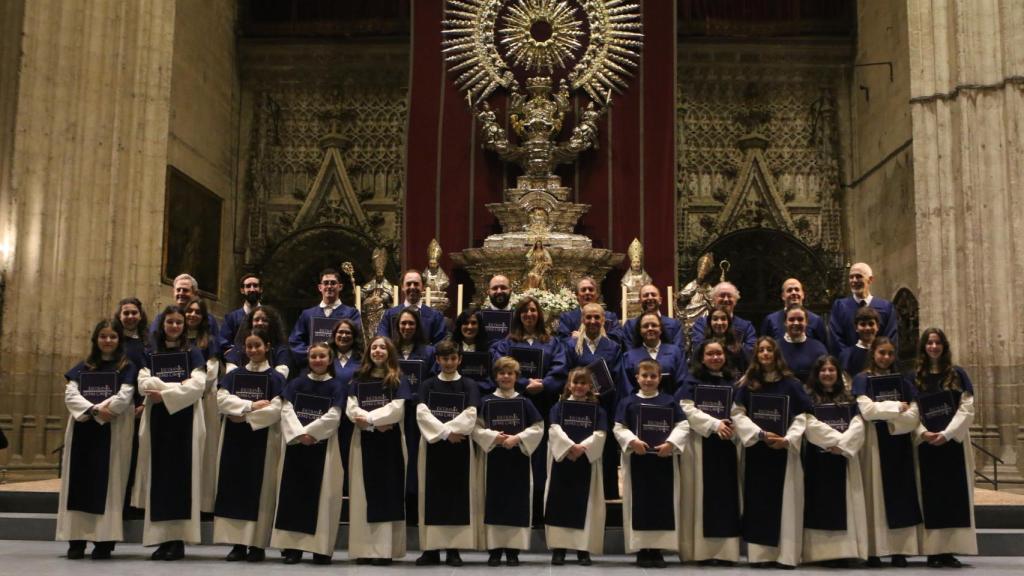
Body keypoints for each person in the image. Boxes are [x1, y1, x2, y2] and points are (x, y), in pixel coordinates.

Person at [56, 320, 138, 560]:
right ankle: (76, 540)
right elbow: (71, 394)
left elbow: (125, 397)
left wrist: (101, 411)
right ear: (96, 339)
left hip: (113, 429)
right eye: (103, 336)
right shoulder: (84, 366)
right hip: (84, 427)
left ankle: (104, 541)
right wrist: (93, 411)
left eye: (113, 337)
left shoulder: (126, 366)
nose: (108, 341)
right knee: (78, 483)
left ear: (119, 340)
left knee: (110, 483)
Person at [731, 336, 813, 568]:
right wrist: (760, 434)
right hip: (758, 449)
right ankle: (760, 555)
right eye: (761, 350)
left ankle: (786, 555)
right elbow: (737, 414)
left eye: (769, 350)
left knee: (786, 502)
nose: (765, 354)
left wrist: (788, 439)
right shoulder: (749, 384)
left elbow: (802, 416)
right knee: (758, 501)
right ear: (756, 355)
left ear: (777, 355)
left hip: (784, 450)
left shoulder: (791, 384)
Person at [133, 305, 207, 561]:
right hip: (158, 422)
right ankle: (161, 540)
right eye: (170, 322)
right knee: (160, 478)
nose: (174, 326)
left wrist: (163, 393)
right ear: (162, 325)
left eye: (178, 322)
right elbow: (144, 382)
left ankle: (178, 541)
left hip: (186, 421)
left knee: (181, 479)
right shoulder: (150, 352)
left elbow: (198, 386)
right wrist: (177, 387)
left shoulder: (193, 352)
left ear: (184, 326)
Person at [490, 296, 568, 522]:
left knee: (541, 457)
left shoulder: (552, 342)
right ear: (518, 316)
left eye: (533, 310)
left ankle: (539, 510)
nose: (529, 314)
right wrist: (525, 384)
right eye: (524, 311)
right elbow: (500, 367)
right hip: (515, 404)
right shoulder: (507, 343)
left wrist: (544, 384)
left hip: (544, 403)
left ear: (539, 314)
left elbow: (560, 368)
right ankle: (516, 509)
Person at [213, 328, 285, 562]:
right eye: (249, 346)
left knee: (260, 491)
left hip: (264, 439)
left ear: (267, 347)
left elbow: (276, 409)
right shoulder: (234, 375)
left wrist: (244, 417)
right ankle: (237, 545)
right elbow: (221, 400)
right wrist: (250, 407)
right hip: (235, 439)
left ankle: (257, 545)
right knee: (234, 488)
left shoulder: (276, 377)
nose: (253, 350)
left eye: (258, 345)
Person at [271, 342, 347, 565]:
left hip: (323, 446)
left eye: (322, 356)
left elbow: (335, 415)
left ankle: (320, 548)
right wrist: (299, 434)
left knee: (324, 497)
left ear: (330, 359)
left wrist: (312, 433)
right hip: (296, 446)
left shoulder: (337, 386)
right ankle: (293, 548)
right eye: (313, 356)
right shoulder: (296, 383)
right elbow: (286, 409)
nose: (317, 360)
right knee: (292, 495)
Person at [851, 337, 921, 567]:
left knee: (901, 494)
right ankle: (873, 551)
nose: (886, 358)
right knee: (874, 497)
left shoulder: (903, 380)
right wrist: (895, 407)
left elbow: (914, 414)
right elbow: (867, 410)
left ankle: (899, 550)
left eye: (890, 354)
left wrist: (891, 420)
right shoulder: (862, 379)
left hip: (898, 442)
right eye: (882, 353)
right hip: (872, 444)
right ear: (873, 353)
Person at [614, 358, 688, 568]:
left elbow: (682, 426)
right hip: (638, 460)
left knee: (661, 503)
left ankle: (657, 550)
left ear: (660, 378)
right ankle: (642, 550)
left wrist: (671, 443)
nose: (648, 380)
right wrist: (632, 441)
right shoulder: (627, 402)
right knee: (640, 503)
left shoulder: (669, 401)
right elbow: (619, 427)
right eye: (644, 376)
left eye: (653, 376)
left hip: (662, 460)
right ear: (636, 377)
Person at [911, 328, 977, 567]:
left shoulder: (957, 374)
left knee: (953, 495)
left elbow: (967, 407)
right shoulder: (916, 376)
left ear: (944, 346)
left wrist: (947, 434)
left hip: (953, 444)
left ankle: (950, 550)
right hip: (927, 443)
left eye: (938, 342)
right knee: (931, 496)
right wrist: (923, 432)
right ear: (923, 347)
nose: (933, 347)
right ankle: (933, 551)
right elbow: (912, 410)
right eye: (929, 343)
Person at [346, 336, 412, 565]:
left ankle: (384, 551)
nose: (378, 350)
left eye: (382, 347)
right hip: (363, 440)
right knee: (362, 494)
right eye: (374, 347)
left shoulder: (397, 379)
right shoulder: (358, 378)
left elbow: (397, 410)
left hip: (390, 441)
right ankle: (364, 550)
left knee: (388, 491)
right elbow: (351, 407)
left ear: (390, 352)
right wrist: (370, 422)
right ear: (368, 352)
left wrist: (370, 419)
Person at [674, 340, 741, 566]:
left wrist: (730, 425)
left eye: (718, 354)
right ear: (702, 358)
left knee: (726, 495)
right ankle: (699, 552)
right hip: (699, 444)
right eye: (710, 354)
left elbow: (741, 409)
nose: (715, 358)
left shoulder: (734, 381)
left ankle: (726, 553)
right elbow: (685, 406)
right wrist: (714, 424)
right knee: (699, 495)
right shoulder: (692, 380)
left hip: (728, 442)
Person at [414, 340, 481, 567]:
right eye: (445, 359)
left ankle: (454, 550)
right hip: (434, 445)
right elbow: (422, 414)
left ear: (459, 360)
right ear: (438, 360)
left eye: (453, 358)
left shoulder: (469, 385)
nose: (449, 363)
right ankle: (430, 551)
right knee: (431, 495)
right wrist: (445, 434)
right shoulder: (428, 384)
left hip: (460, 447)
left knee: (456, 497)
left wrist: (450, 432)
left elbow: (471, 414)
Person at [473, 356, 544, 567]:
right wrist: (492, 436)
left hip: (518, 458)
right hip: (492, 458)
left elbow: (538, 427)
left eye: (510, 373)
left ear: (517, 377)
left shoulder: (524, 401)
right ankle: (494, 550)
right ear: (495, 376)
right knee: (493, 501)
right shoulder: (485, 402)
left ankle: (513, 551)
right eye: (502, 373)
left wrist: (518, 438)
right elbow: (476, 427)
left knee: (516, 502)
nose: (506, 377)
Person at [801, 355, 869, 566]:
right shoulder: (807, 398)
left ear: (838, 373)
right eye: (823, 370)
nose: (827, 374)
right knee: (818, 502)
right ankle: (820, 554)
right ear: (817, 374)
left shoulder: (849, 397)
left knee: (846, 501)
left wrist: (843, 444)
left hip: (843, 458)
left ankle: (844, 551)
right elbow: (809, 424)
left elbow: (858, 424)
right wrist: (836, 441)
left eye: (832, 370)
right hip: (818, 459)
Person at [544, 367, 608, 565]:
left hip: (586, 460)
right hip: (562, 460)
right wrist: (570, 447)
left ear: (590, 386)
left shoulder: (598, 409)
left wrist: (583, 447)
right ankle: (559, 549)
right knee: (559, 501)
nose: (579, 387)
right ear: (569, 385)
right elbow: (554, 428)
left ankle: (583, 550)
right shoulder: (559, 407)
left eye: (583, 383)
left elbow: (601, 433)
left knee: (586, 504)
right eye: (575, 383)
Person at [564, 302, 624, 501]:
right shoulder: (571, 345)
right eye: (588, 317)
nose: (592, 321)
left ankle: (607, 498)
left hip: (602, 407)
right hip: (577, 407)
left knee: (604, 453)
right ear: (582, 319)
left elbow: (616, 377)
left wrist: (601, 394)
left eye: (596, 317)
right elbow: (566, 373)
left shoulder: (613, 347)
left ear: (603, 320)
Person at [184, 297, 222, 514]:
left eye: (197, 312)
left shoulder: (210, 340)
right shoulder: (177, 338)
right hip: (179, 398)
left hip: (204, 398)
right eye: (189, 311)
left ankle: (204, 504)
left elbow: (210, 373)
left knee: (204, 450)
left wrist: (189, 387)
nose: (192, 315)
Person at [111, 297, 148, 516]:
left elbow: (150, 373)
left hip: (138, 407)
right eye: (126, 313)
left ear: (140, 316)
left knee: (135, 456)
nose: (130, 316)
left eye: (134, 312)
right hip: (114, 405)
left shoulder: (146, 343)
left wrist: (143, 404)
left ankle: (131, 505)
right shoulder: (112, 340)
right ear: (119, 316)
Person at [289, 268, 362, 360]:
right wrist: (312, 353)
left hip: (340, 363)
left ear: (340, 287)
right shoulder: (307, 315)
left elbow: (357, 340)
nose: (329, 286)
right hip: (313, 364)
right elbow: (295, 342)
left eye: (333, 283)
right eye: (326, 283)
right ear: (320, 287)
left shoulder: (352, 314)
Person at [828, 263, 898, 358]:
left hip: (879, 365)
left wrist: (880, 358)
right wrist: (847, 358)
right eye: (851, 277)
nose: (854, 280)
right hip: (849, 365)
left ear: (870, 279)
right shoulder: (840, 307)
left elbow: (890, 337)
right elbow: (836, 338)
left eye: (859, 276)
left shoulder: (886, 308)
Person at [622, 312, 688, 396]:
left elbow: (682, 382)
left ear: (661, 329)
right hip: (639, 406)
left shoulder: (675, 352)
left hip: (671, 405)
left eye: (654, 325)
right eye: (645, 326)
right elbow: (627, 387)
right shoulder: (629, 356)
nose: (650, 328)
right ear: (640, 331)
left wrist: (672, 404)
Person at [377, 269, 447, 344]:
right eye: (408, 284)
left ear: (423, 287)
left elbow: (440, 344)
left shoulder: (435, 316)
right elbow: (383, 341)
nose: (412, 287)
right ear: (402, 287)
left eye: (416, 284)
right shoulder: (389, 315)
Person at [689, 282, 757, 355]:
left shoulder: (746, 326)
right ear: (713, 299)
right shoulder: (701, 324)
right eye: (722, 296)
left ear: (736, 300)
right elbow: (699, 349)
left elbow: (751, 351)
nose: (726, 299)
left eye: (729, 296)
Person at [225, 305, 291, 378]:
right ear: (251, 323)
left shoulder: (281, 348)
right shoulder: (240, 346)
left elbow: (281, 375)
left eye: (264, 320)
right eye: (256, 320)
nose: (260, 323)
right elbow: (230, 371)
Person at [555, 277, 622, 345]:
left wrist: (583, 338)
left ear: (597, 294)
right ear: (577, 295)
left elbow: (617, 339)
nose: (587, 292)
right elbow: (562, 341)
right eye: (583, 290)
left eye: (590, 289)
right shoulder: (567, 318)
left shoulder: (610, 317)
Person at [759, 278, 828, 344]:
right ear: (783, 296)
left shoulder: (816, 321)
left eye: (797, 289)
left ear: (803, 294)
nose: (794, 292)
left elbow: (823, 350)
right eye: (789, 290)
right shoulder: (770, 320)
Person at [621, 284, 684, 348]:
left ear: (660, 300)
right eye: (646, 295)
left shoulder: (674, 325)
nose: (650, 297)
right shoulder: (630, 326)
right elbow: (629, 353)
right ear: (640, 301)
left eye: (653, 295)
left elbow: (678, 352)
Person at [777, 304, 829, 382]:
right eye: (791, 319)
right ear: (785, 322)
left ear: (806, 322)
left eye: (800, 319)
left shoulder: (818, 348)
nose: (796, 323)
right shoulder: (774, 348)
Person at [219, 273, 263, 352]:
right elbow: (224, 343)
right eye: (248, 286)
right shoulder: (231, 318)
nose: (252, 289)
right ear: (242, 290)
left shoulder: (270, 316)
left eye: (255, 286)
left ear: (261, 289)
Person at [838, 306, 880, 377]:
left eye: (871, 324)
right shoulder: (847, 355)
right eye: (863, 324)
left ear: (878, 326)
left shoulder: (886, 353)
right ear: (856, 328)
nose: (867, 328)